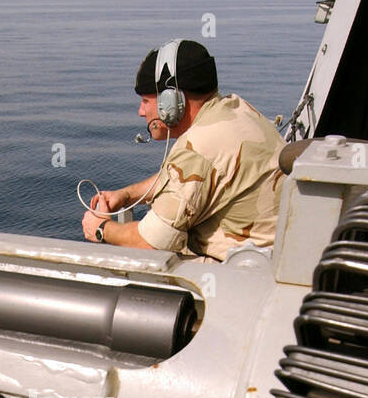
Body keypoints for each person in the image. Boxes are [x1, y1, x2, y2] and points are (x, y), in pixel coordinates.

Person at [81, 39, 286, 262]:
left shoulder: (198, 148)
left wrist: (101, 228)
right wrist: (127, 195)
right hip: (277, 257)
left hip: (246, 276)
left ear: (170, 101)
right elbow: (178, 179)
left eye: (145, 101)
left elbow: (151, 242)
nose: (141, 111)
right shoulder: (235, 109)